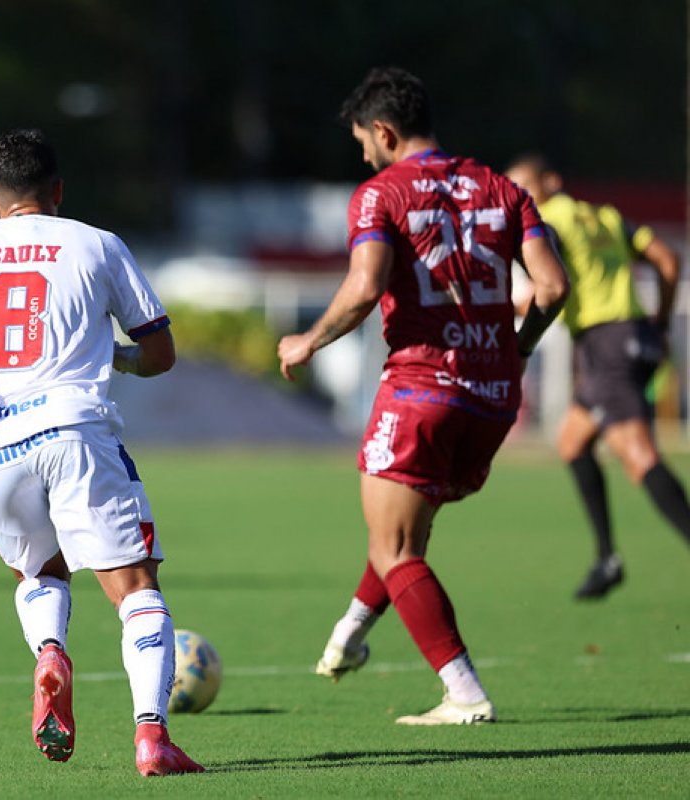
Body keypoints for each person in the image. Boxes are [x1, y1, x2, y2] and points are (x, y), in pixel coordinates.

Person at [0, 129, 203, 776]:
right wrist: (108, 352)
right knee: (136, 588)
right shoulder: (97, 243)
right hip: (74, 432)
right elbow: (161, 354)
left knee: (40, 573)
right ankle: (151, 737)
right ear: (57, 191)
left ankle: (51, 649)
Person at [278, 67, 569, 724]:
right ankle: (350, 633)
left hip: (421, 391)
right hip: (494, 396)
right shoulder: (505, 188)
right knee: (401, 533)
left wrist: (307, 342)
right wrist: (519, 349)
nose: (363, 155)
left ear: (384, 131)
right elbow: (552, 288)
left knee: (397, 546)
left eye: (363, 142)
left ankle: (463, 692)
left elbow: (362, 286)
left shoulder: (381, 194)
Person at [505, 155, 689, 600]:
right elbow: (667, 259)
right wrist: (660, 323)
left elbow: (547, 290)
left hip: (607, 345)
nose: (521, 199)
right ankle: (607, 559)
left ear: (551, 182)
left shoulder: (549, 221)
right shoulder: (605, 216)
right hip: (633, 337)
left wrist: (498, 306)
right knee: (573, 440)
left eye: (524, 188)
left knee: (639, 455)